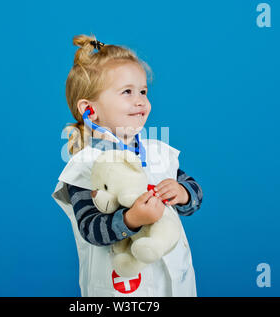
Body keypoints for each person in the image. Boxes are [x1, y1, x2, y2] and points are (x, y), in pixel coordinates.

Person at [51, 34, 203, 297]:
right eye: (127, 92)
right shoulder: (84, 167)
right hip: (120, 290)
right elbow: (90, 228)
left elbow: (194, 193)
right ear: (90, 110)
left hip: (175, 285)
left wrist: (183, 192)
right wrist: (132, 220)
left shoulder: (159, 152)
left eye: (143, 91)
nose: (140, 100)